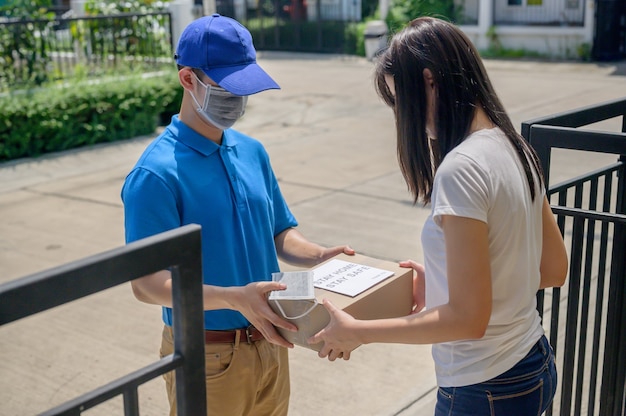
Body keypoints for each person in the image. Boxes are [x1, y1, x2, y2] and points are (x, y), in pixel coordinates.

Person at [308, 17, 569, 415]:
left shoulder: (461, 168)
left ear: (429, 81)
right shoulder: (514, 146)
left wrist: (358, 332)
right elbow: (553, 268)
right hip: (532, 362)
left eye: (401, 101)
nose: (402, 116)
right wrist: (451, 284)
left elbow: (468, 321)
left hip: (483, 385)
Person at [121, 14, 354, 416]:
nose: (237, 100)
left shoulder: (251, 151)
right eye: (226, 87)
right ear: (188, 79)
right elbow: (147, 285)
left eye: (243, 88)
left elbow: (280, 231)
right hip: (206, 353)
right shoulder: (155, 174)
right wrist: (234, 299)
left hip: (271, 341)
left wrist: (316, 255)